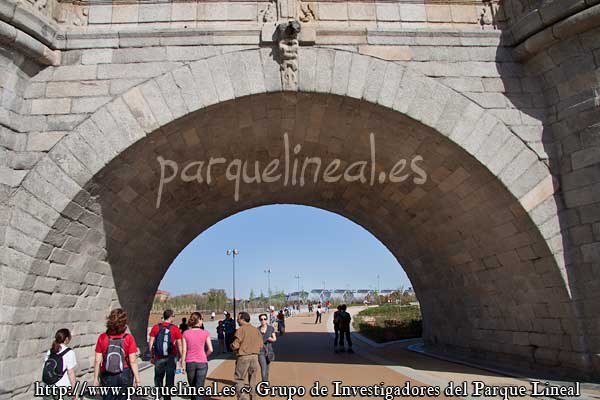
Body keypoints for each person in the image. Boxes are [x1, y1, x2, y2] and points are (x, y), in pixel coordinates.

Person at [93, 308, 141, 400]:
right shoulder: (128, 338)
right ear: (124, 323)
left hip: (107, 373)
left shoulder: (103, 337)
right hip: (125, 372)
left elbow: (97, 360)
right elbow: (133, 361)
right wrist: (137, 380)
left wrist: (95, 379)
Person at [148, 309, 183, 400]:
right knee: (170, 376)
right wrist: (182, 356)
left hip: (159, 356)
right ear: (171, 316)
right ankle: (167, 396)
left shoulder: (156, 327)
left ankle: (158, 394)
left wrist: (152, 355)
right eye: (173, 316)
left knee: (158, 377)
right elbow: (179, 344)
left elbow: (151, 343)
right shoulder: (175, 328)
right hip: (171, 357)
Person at [230, 312, 263, 400]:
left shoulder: (241, 330)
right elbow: (261, 345)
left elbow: (235, 345)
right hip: (255, 357)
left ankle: (242, 398)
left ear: (242, 319)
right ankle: (253, 397)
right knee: (252, 379)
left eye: (238, 318)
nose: (237, 320)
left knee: (239, 379)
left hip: (243, 357)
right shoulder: (256, 330)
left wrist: (231, 346)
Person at [181, 312, 213, 400]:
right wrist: (205, 356)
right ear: (198, 320)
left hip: (190, 362)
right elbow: (210, 349)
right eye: (201, 319)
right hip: (202, 362)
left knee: (192, 387)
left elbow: (184, 350)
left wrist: (182, 363)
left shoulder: (185, 333)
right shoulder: (205, 333)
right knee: (199, 387)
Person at [41, 329, 78, 400]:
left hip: (48, 387)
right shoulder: (69, 352)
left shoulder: (50, 351)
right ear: (66, 339)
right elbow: (71, 373)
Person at [257, 313, 276, 383]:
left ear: (267, 319)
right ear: (259, 320)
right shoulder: (257, 330)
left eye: (265, 319)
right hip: (261, 351)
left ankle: (266, 382)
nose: (263, 320)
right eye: (261, 319)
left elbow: (274, 339)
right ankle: (264, 384)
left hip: (269, 350)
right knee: (263, 368)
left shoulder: (271, 328)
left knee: (267, 369)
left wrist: (270, 339)